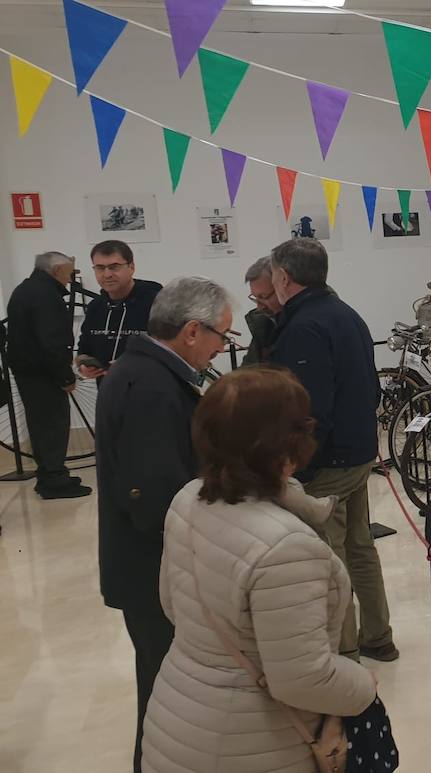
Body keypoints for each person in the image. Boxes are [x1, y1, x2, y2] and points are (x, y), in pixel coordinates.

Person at [140, 367, 377, 773]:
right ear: (287, 444)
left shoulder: (187, 500)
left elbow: (172, 606)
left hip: (176, 717)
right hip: (253, 744)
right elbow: (303, 679)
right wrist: (363, 687)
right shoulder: (286, 549)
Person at [96, 276, 234, 773]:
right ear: (192, 331)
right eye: (222, 335)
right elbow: (157, 498)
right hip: (152, 569)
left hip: (153, 566)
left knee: (165, 689)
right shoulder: (151, 387)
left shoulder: (145, 372)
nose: (222, 348)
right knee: (164, 695)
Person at [268, 238, 398, 662]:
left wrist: (297, 464)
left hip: (330, 461)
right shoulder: (346, 313)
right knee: (360, 545)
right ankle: (378, 636)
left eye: (272, 277)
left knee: (330, 555)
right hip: (359, 450)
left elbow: (310, 409)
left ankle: (344, 652)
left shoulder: (304, 326)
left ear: (284, 277)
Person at [5, 251, 89, 499]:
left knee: (42, 425)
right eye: (70, 271)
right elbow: (51, 342)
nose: (71, 277)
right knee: (53, 426)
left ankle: (50, 475)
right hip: (43, 373)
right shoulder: (45, 296)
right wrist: (65, 377)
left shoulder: (27, 289)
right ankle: (54, 482)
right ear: (56, 271)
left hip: (28, 371)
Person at [77, 240, 162, 379]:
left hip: (151, 391)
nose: (107, 274)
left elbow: (174, 350)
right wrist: (83, 366)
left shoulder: (157, 303)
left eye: (114, 267)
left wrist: (135, 365)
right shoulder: (95, 307)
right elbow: (83, 350)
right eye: (100, 268)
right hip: (108, 392)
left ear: (131, 267)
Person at [242, 256, 281, 365]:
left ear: (283, 286)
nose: (259, 307)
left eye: (264, 297)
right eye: (255, 298)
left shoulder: (303, 324)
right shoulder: (265, 323)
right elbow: (250, 368)